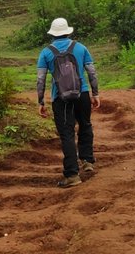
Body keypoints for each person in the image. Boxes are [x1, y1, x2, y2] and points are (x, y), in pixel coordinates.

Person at [36, 17, 101, 188]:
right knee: (85, 125)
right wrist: (95, 94)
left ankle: (72, 174)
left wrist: (41, 101)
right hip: (83, 93)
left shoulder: (46, 52)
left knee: (67, 134)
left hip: (60, 98)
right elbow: (92, 72)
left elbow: (40, 79)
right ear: (68, 31)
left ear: (53, 34)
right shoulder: (81, 48)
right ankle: (87, 161)